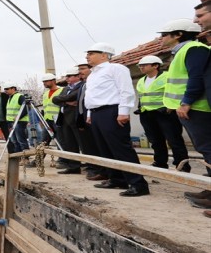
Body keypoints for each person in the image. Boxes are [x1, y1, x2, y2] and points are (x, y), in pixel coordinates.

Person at [158, 19, 211, 213]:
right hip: (188, 108)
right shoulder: (181, 51)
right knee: (205, 150)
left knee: (208, 149)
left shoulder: (194, 49)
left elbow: (196, 77)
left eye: (164, 34)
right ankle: (209, 189)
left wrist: (186, 102)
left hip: (197, 107)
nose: (161, 38)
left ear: (178, 34)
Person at [85, 42, 150, 197]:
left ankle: (138, 183)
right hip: (96, 113)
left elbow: (125, 91)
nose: (87, 56)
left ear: (104, 55)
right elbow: (92, 96)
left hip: (112, 111)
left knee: (121, 148)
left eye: (91, 53)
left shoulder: (116, 69)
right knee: (105, 148)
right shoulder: (93, 74)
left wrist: (123, 111)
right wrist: (89, 114)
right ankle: (117, 178)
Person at [134, 55, 190, 172]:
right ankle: (160, 163)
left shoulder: (167, 77)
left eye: (144, 65)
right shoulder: (141, 80)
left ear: (155, 66)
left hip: (165, 113)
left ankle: (182, 165)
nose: (141, 67)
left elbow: (177, 91)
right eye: (140, 65)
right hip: (147, 114)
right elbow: (142, 96)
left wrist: (173, 106)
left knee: (174, 139)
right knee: (155, 141)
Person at [76, 60, 106, 180]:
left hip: (97, 117)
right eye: (79, 70)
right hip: (85, 119)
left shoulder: (96, 82)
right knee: (89, 146)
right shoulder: (84, 85)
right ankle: (97, 169)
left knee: (99, 146)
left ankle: (104, 171)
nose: (80, 72)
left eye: (83, 69)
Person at [52, 68, 84, 174]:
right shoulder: (66, 88)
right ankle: (74, 166)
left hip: (76, 119)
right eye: (67, 76)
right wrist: (67, 102)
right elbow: (55, 99)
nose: (67, 78)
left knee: (83, 143)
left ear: (77, 76)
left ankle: (92, 168)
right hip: (65, 119)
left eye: (70, 76)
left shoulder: (82, 86)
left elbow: (72, 97)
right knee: (70, 144)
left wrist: (64, 99)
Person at [5, 82, 30, 152]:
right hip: (11, 122)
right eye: (5, 89)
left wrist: (19, 116)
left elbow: (26, 108)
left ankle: (26, 156)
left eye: (7, 89)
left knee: (21, 140)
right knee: (14, 141)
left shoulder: (20, 96)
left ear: (13, 89)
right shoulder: (10, 98)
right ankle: (19, 156)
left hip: (19, 122)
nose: (5, 90)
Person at [41, 73, 62, 146]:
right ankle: (40, 157)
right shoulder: (45, 93)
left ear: (53, 81)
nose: (44, 83)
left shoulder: (62, 90)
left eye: (46, 81)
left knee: (60, 140)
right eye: (43, 82)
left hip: (58, 120)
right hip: (47, 120)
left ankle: (62, 157)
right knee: (43, 141)